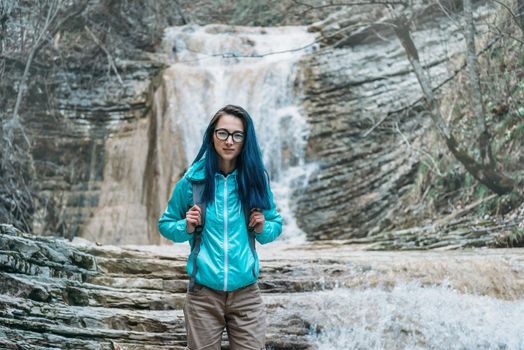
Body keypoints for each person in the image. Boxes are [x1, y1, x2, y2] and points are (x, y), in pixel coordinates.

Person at [158, 104, 283, 350]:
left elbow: (274, 227)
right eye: (222, 133)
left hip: (246, 295)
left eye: (237, 135)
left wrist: (261, 227)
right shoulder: (192, 182)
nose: (229, 141)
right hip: (203, 295)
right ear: (212, 135)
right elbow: (166, 225)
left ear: (245, 140)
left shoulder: (255, 180)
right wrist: (187, 225)